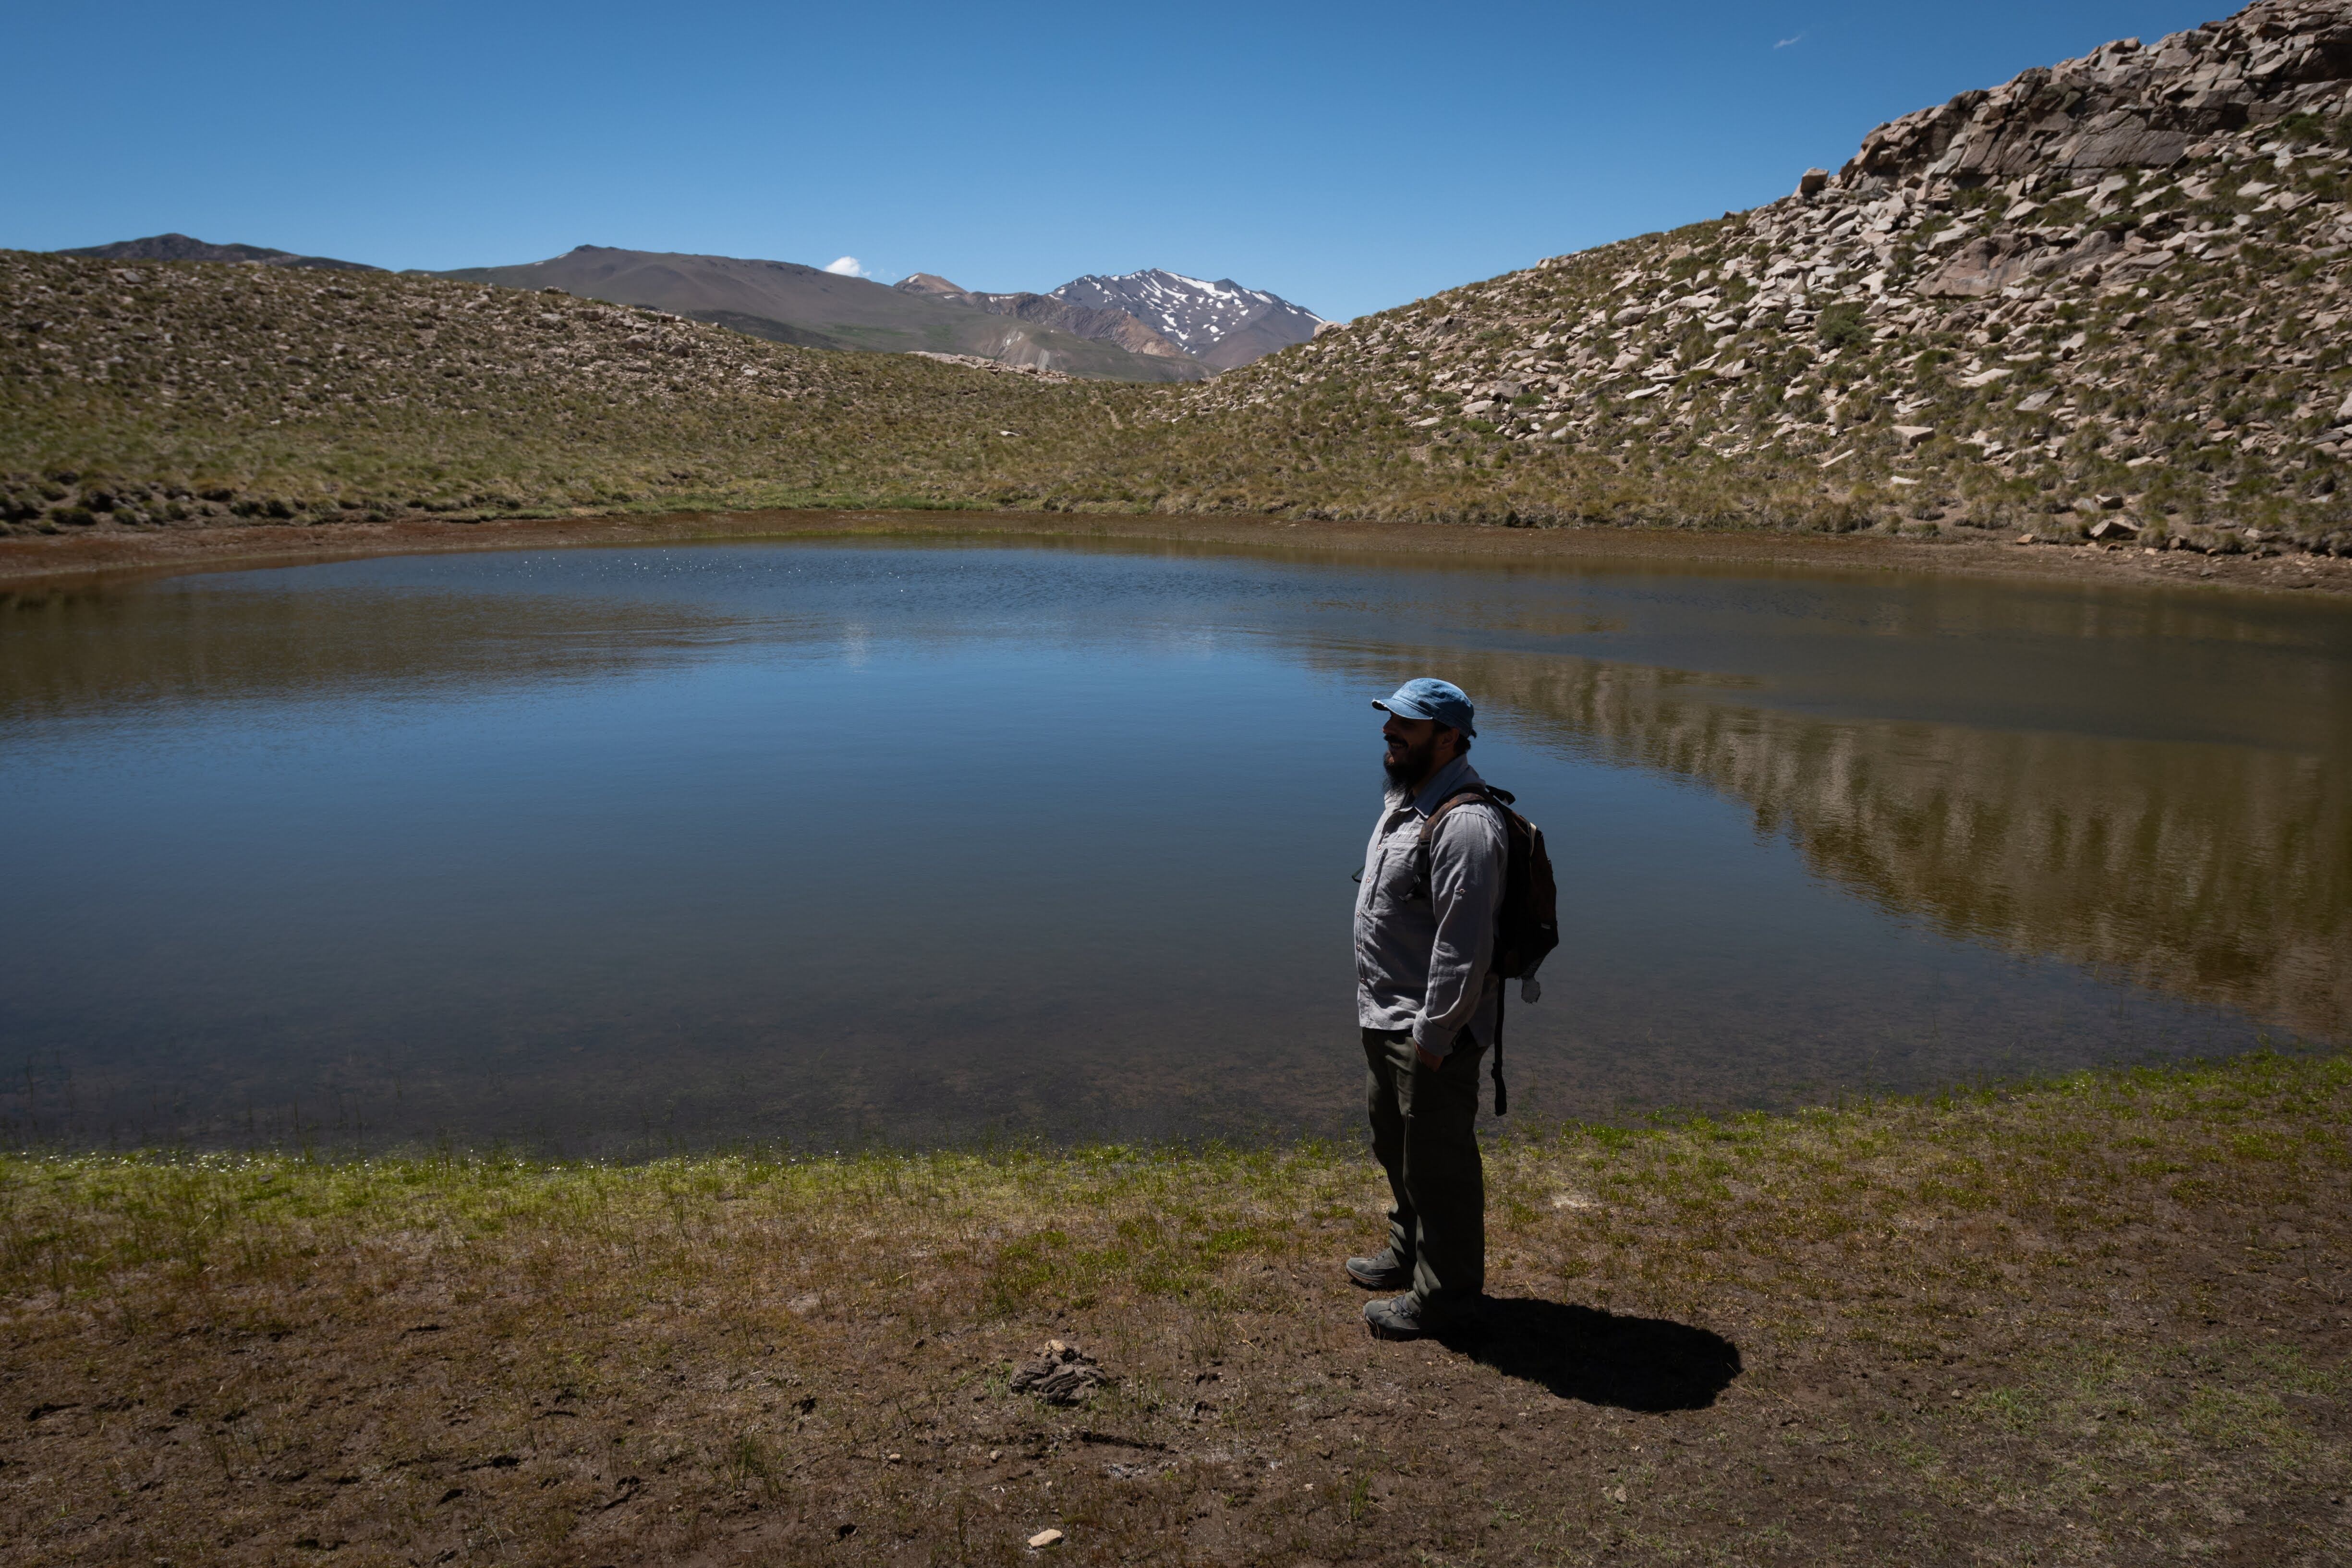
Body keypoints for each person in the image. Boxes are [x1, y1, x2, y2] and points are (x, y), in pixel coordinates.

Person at [1348, 677, 1505, 1340]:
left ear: (1449, 737)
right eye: (1390, 718)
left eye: (1407, 724)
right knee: (1397, 1146)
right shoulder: (1407, 798)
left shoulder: (1466, 823)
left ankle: (1446, 1298)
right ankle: (1407, 1254)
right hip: (1387, 1015)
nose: (1391, 730)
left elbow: (1463, 948)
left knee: (1438, 1165)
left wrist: (1435, 1036)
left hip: (1429, 1029)